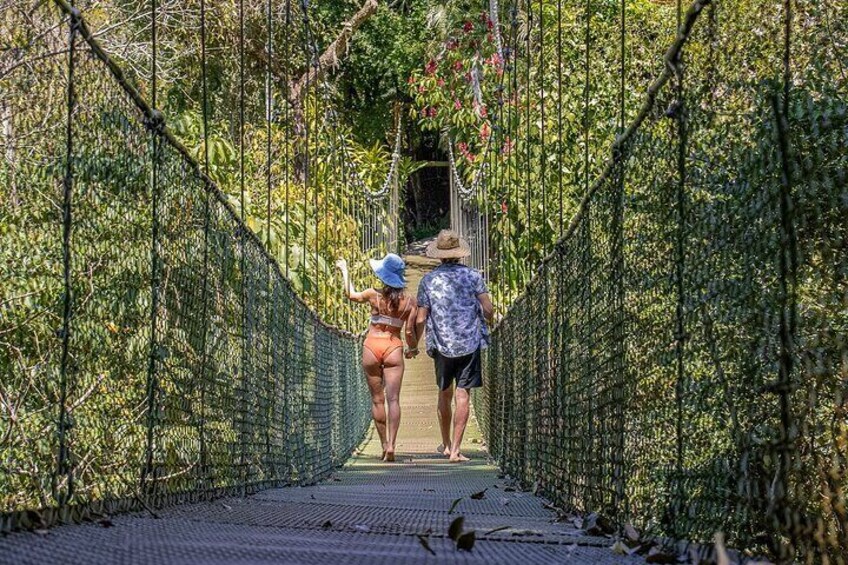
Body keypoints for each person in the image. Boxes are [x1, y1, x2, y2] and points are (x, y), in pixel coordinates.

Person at [415, 230, 494, 462]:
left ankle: (447, 445)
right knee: (463, 395)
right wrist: (488, 320)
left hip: (442, 345)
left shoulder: (428, 280)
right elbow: (488, 309)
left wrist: (414, 343)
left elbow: (420, 318)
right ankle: (457, 450)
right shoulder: (473, 276)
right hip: (469, 343)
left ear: (438, 255)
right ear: (460, 254)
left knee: (444, 393)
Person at [336, 253, 419, 462]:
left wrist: (345, 271)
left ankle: (383, 444)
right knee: (393, 400)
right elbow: (409, 331)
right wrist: (413, 349)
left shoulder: (373, 295)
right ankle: (392, 445)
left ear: (383, 276)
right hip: (393, 347)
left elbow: (351, 295)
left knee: (377, 400)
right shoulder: (410, 302)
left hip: (372, 346)